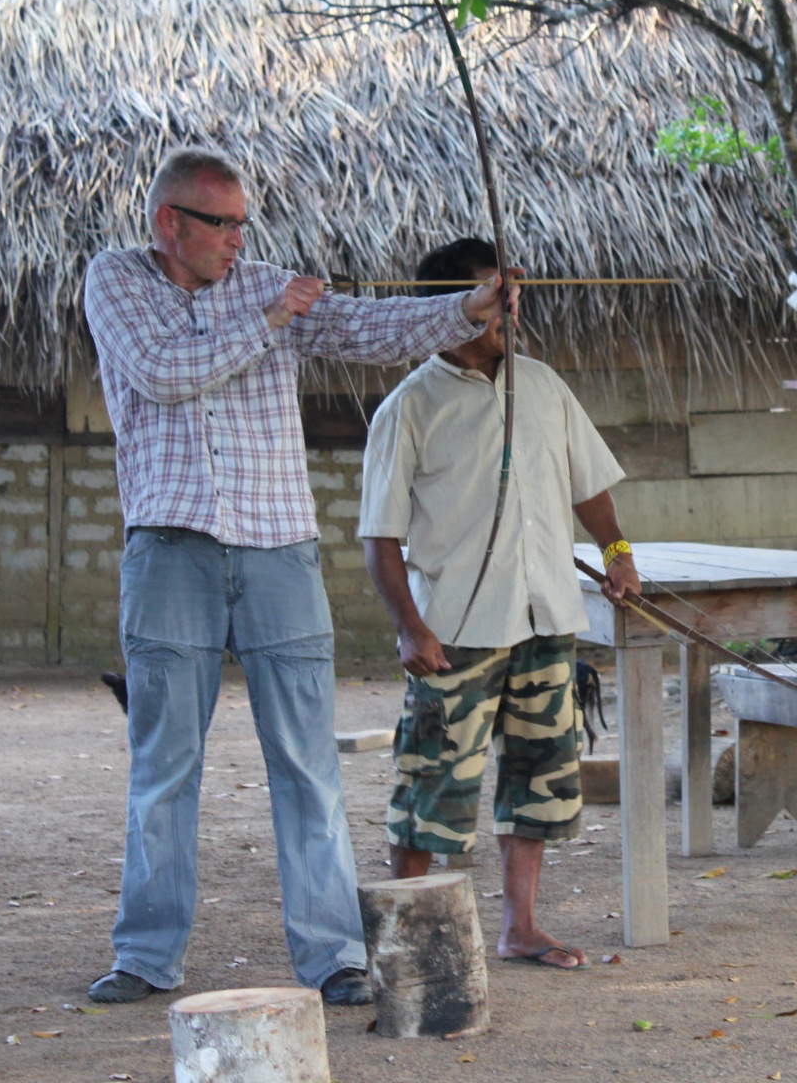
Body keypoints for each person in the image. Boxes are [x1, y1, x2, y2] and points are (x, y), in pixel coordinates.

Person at [81, 147, 506, 1007]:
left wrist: (466, 309)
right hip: (170, 550)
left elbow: (367, 329)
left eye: (245, 223)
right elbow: (165, 375)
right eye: (223, 224)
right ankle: (147, 954)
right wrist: (272, 316)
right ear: (171, 223)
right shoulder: (117, 281)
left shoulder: (265, 283)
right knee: (164, 764)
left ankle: (334, 957)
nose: (241, 239)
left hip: (279, 549)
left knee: (308, 764)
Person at [359, 237, 641, 971]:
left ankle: (521, 927)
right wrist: (409, 627)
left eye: (510, 294)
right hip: (454, 631)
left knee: (540, 781)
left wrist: (616, 554)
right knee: (432, 786)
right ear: (451, 307)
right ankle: (414, 941)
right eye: (492, 295)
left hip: (546, 618)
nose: (508, 309)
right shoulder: (410, 405)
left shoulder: (543, 385)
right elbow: (380, 538)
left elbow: (589, 485)